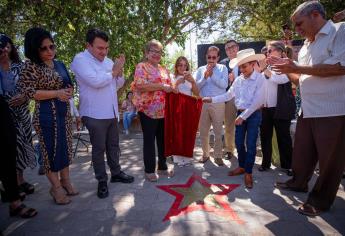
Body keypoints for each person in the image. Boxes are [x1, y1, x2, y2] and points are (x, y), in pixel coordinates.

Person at [269, 1, 345, 216]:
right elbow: (300, 79)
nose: (297, 30)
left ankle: (320, 200)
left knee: (330, 159)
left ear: (315, 15)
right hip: (308, 109)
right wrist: (284, 69)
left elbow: (340, 67)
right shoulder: (306, 45)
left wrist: (297, 67)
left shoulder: (340, 31)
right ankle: (298, 182)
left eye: (300, 24)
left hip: (333, 109)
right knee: (302, 153)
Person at [16, 27, 77, 205]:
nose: (50, 51)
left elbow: (69, 84)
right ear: (34, 48)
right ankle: (55, 188)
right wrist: (57, 93)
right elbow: (28, 92)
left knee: (65, 148)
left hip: (63, 114)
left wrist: (68, 91)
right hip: (45, 116)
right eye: (44, 48)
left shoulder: (60, 64)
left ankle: (66, 181)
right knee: (50, 152)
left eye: (52, 46)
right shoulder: (30, 66)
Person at [71, 29, 134, 199]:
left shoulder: (107, 62)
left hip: (111, 111)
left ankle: (116, 173)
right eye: (100, 48)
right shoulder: (80, 60)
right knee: (99, 149)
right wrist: (114, 71)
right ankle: (101, 181)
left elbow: (117, 84)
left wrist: (119, 72)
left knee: (114, 146)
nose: (104, 52)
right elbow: (96, 81)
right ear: (88, 45)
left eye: (106, 48)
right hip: (93, 113)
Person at [203, 48, 266, 188]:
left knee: (250, 144)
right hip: (240, 114)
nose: (242, 69)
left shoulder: (260, 78)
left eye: (244, 66)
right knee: (238, 143)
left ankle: (248, 172)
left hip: (253, 115)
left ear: (253, 64)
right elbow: (227, 95)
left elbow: (258, 101)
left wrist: (243, 116)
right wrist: (211, 99)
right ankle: (242, 166)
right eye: (240, 67)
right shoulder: (238, 80)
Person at [131, 39, 176, 182]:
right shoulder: (141, 66)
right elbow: (140, 85)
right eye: (153, 51)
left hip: (164, 111)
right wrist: (162, 86)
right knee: (149, 141)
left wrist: (176, 86)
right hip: (147, 111)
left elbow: (170, 86)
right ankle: (149, 170)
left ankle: (162, 167)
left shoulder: (164, 70)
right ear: (146, 53)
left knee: (162, 140)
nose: (157, 54)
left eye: (159, 52)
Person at [0, 34, 36, 198]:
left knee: (23, 146)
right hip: (5, 115)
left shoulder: (21, 66)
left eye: (7, 45)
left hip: (22, 113)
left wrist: (24, 96)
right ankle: (12, 183)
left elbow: (30, 87)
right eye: (2, 46)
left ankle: (20, 179)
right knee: (12, 146)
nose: (5, 49)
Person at [0, 69, 37, 218]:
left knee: (8, 152)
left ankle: (14, 201)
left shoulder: (13, 67)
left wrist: (23, 96)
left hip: (3, 106)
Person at [259, 41, 295, 176]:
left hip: (281, 108)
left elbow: (280, 80)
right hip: (266, 108)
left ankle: (288, 165)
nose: (267, 54)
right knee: (265, 137)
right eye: (267, 51)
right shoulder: (267, 67)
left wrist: (264, 70)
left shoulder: (286, 65)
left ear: (280, 52)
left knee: (283, 137)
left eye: (270, 51)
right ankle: (265, 163)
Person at [195, 46, 228, 166]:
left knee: (218, 131)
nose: (211, 59)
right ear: (206, 57)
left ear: (218, 58)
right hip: (203, 104)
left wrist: (212, 75)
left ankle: (218, 155)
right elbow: (196, 88)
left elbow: (224, 85)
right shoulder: (200, 70)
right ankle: (205, 154)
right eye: (209, 57)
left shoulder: (223, 68)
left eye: (214, 57)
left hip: (218, 103)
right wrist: (205, 77)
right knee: (203, 132)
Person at [171, 56, 199, 166]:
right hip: (177, 107)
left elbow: (197, 93)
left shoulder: (190, 78)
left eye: (184, 65)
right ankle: (177, 158)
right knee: (177, 132)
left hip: (188, 108)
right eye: (180, 65)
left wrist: (193, 82)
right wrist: (177, 83)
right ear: (176, 67)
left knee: (188, 132)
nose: (183, 67)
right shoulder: (172, 77)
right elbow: (171, 93)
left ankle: (186, 157)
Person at [219, 40, 240, 160]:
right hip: (229, 98)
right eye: (227, 48)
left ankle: (244, 149)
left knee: (246, 124)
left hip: (245, 98)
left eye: (232, 47)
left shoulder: (246, 60)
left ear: (237, 47)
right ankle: (229, 150)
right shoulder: (223, 64)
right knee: (229, 125)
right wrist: (228, 80)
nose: (230, 49)